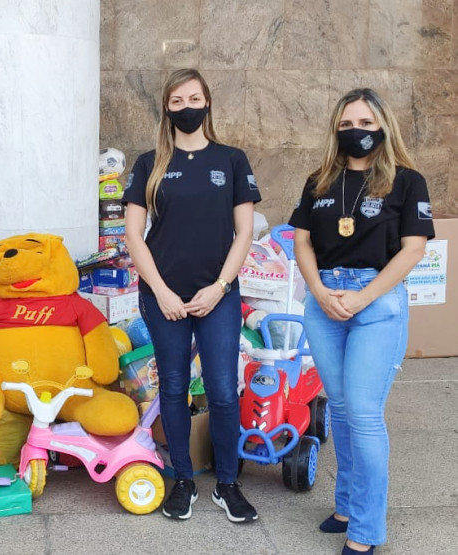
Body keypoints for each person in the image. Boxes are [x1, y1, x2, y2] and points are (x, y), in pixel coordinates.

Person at [289, 89, 433, 555]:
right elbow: (303, 241)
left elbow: (413, 249)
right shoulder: (319, 181)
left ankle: (366, 531)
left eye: (368, 124)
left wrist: (361, 297)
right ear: (336, 129)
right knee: (342, 408)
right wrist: (319, 291)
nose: (358, 131)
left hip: (376, 303)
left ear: (383, 127)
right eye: (349, 123)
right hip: (325, 300)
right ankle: (347, 506)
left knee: (366, 415)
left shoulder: (407, 182)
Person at [123, 68, 260, 523]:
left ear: (208, 103)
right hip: (164, 297)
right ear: (167, 108)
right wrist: (160, 291)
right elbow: (134, 236)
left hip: (218, 293)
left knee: (222, 390)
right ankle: (183, 479)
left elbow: (245, 233)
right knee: (176, 388)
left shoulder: (233, 159)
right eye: (177, 101)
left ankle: (226, 483)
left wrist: (220, 286)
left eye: (194, 98)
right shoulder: (149, 164)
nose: (187, 107)